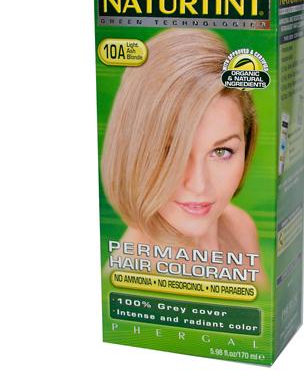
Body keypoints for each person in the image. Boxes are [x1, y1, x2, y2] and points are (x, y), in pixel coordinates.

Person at [101, 28, 267, 286]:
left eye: (221, 152)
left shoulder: (238, 226)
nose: (198, 184)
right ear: (133, 151)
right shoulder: (132, 274)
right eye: (171, 151)